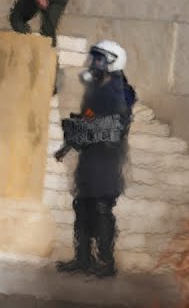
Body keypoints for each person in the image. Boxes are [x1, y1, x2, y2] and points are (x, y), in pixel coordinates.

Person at [54, 40, 136, 278]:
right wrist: (68, 145)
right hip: (90, 157)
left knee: (101, 208)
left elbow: (116, 123)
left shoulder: (123, 91)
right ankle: (83, 258)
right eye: (94, 58)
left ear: (112, 61)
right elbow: (87, 118)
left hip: (108, 158)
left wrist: (89, 129)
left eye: (99, 59)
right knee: (82, 207)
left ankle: (106, 261)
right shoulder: (97, 89)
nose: (94, 64)